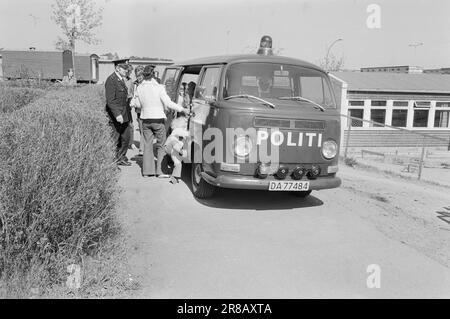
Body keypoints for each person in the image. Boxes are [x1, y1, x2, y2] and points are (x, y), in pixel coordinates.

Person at [133, 65, 189, 177]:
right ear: (153, 74)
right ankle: (161, 171)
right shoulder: (159, 87)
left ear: (144, 75)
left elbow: (137, 104)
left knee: (148, 145)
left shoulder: (139, 88)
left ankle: (147, 171)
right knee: (161, 144)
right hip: (158, 119)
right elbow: (168, 103)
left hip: (145, 119)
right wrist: (182, 109)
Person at [105, 63, 133, 166]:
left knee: (126, 137)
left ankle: (120, 158)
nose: (126, 70)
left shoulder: (121, 79)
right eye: (124, 68)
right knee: (115, 139)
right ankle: (111, 162)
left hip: (124, 114)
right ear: (117, 68)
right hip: (116, 116)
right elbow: (111, 100)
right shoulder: (111, 80)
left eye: (127, 69)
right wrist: (117, 115)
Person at [164, 116, 189, 184]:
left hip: (170, 147)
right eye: (185, 126)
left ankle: (175, 176)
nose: (186, 127)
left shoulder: (175, 130)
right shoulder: (178, 130)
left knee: (177, 162)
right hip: (173, 147)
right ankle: (174, 176)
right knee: (178, 162)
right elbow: (186, 134)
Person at [130, 65, 145, 156]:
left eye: (141, 75)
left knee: (144, 130)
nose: (139, 77)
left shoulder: (147, 84)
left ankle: (142, 149)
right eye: (137, 75)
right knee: (141, 129)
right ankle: (144, 146)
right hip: (138, 111)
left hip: (146, 110)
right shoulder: (134, 84)